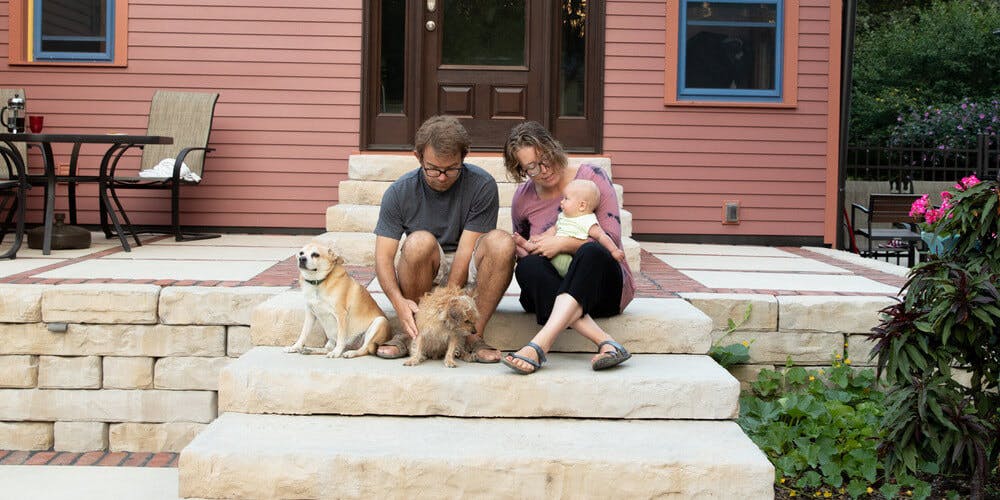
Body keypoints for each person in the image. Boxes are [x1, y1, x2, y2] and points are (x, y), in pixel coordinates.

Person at [373, 115, 515, 362]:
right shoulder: (399, 192)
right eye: (433, 169)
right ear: (418, 157)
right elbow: (383, 258)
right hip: (423, 270)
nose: (441, 176)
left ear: (464, 157)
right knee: (418, 242)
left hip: (467, 264)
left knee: (502, 243)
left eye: (451, 169)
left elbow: (465, 252)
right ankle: (413, 332)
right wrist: (398, 303)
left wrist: (449, 303)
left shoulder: (482, 185)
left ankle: (472, 337)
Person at [501, 121, 635, 374]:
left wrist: (562, 243)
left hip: (600, 290)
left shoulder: (591, 179)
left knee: (592, 251)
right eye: (532, 167)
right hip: (552, 289)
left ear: (554, 149)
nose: (544, 170)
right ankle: (606, 342)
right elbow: (526, 250)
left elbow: (611, 239)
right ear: (520, 169)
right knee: (527, 267)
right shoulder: (523, 198)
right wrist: (527, 247)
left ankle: (540, 344)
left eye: (545, 159)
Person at [513, 178, 626, 276]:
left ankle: (527, 253)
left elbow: (602, 236)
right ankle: (527, 248)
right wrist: (542, 237)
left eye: (566, 199)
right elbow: (554, 229)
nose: (561, 202)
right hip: (552, 251)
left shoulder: (588, 220)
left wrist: (614, 250)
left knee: (556, 262)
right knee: (540, 250)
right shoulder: (563, 216)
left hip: (567, 257)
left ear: (582, 205)